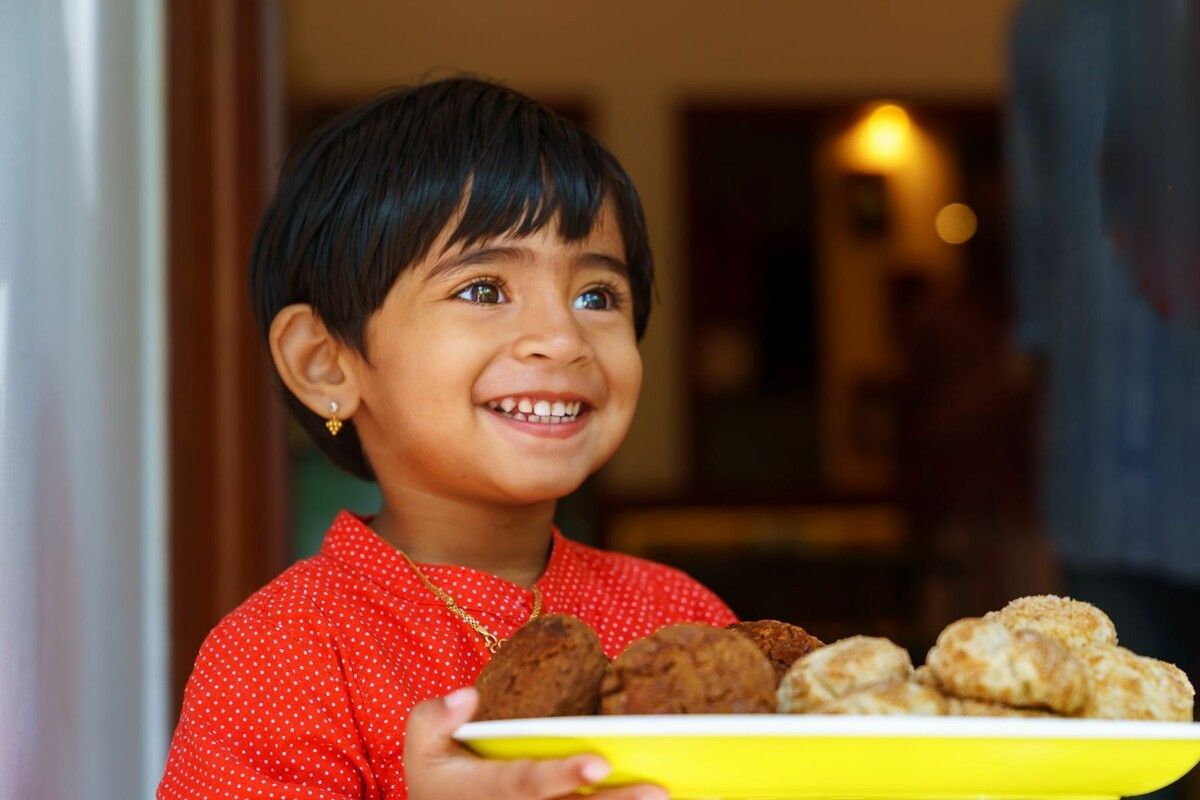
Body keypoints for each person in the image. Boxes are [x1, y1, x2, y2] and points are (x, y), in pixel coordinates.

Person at [157, 77, 736, 800]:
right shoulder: (284, 654)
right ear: (325, 362)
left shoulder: (682, 621)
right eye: (484, 290)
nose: (562, 338)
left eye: (598, 296)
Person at [1009, 0, 1200, 762]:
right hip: (1102, 451)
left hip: (1100, 449)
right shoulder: (1052, 21)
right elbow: (1039, 235)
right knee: (1115, 746)